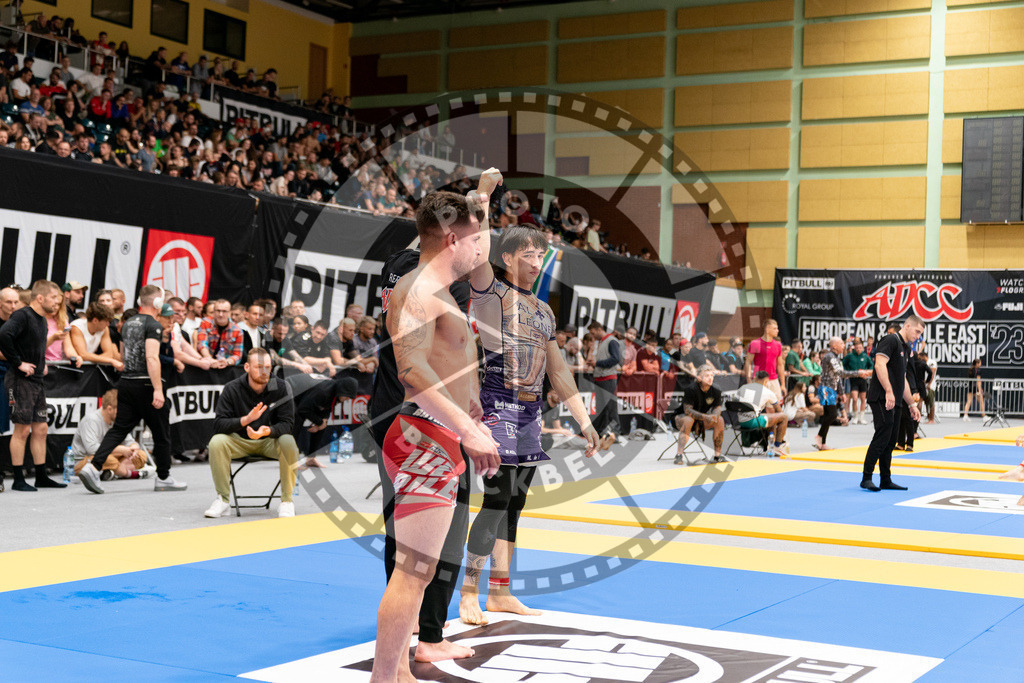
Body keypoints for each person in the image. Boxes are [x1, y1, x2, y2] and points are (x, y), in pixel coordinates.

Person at [368, 189, 501, 683]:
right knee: (413, 571)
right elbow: (414, 375)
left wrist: (473, 417)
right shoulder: (418, 291)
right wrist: (468, 428)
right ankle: (386, 678)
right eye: (475, 239)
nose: (479, 249)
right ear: (452, 239)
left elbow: (446, 370)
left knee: (418, 572)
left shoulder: (438, 290)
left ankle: (398, 673)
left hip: (439, 436)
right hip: (424, 436)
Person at [461, 213, 599, 626]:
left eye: (540, 254)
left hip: (529, 417)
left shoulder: (543, 311)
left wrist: (584, 420)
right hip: (495, 411)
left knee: (515, 505)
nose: (536, 261)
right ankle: (469, 591)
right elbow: (477, 253)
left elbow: (558, 372)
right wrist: (483, 202)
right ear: (506, 257)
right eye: (527, 253)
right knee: (497, 499)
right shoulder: (490, 294)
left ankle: (500, 591)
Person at [77, 285, 187, 494]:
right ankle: (164, 477)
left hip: (126, 382)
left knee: (118, 429)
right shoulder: (153, 324)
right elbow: (152, 357)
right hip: (146, 382)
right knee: (162, 432)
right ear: (156, 303)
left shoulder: (127, 324)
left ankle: (93, 467)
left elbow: (123, 354)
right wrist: (157, 389)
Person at [203, 348, 299, 518]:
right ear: (246, 367)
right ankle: (223, 500)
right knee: (216, 442)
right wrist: (246, 420)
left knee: (288, 441)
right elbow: (218, 424)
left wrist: (267, 431)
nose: (264, 372)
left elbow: (288, 424)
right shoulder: (232, 388)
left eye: (268, 367)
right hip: (239, 441)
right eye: (259, 367)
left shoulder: (281, 387)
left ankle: (287, 501)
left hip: (269, 441)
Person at [0, 280, 68, 491]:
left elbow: (36, 345)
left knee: (41, 428)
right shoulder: (22, 315)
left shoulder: (42, 320)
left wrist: (41, 363)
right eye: (54, 298)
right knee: (22, 429)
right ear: (40, 298)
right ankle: (19, 479)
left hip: (36, 380)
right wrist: (18, 363)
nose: (58, 303)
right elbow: (4, 335)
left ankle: (41, 475)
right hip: (20, 380)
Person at [861, 316, 925, 492]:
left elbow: (902, 379)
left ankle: (885, 479)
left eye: (921, 334)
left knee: (891, 440)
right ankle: (866, 477)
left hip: (895, 399)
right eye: (917, 331)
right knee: (882, 435)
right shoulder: (891, 340)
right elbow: (879, 365)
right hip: (882, 397)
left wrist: (911, 405)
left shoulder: (905, 347)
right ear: (907, 326)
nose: (918, 336)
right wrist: (889, 390)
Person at [71, 389, 151, 480]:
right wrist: (121, 449)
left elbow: (130, 441)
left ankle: (112, 472)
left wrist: (133, 448)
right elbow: (92, 449)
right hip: (85, 460)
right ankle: (129, 474)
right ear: (109, 409)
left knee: (141, 455)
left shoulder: (116, 420)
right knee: (108, 460)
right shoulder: (91, 420)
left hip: (111, 456)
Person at [816, 336, 871, 451]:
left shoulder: (837, 358)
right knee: (831, 414)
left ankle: (822, 442)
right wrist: (858, 373)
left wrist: (841, 393)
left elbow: (838, 377)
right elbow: (840, 373)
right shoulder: (829, 356)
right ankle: (820, 437)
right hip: (826, 389)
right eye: (841, 343)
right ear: (834, 346)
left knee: (828, 415)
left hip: (832, 389)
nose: (844, 345)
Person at [670, 365, 724, 465]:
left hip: (700, 420)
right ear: (699, 378)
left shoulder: (716, 389)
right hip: (680, 417)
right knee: (688, 420)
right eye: (707, 375)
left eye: (712, 375)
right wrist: (705, 417)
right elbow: (688, 411)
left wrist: (715, 415)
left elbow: (717, 407)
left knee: (719, 419)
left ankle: (717, 456)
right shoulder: (691, 389)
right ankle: (679, 455)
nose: (710, 378)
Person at [585, 320, 621, 449]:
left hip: (608, 378)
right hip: (600, 378)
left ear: (599, 329)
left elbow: (616, 359)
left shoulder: (611, 341)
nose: (592, 336)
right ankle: (603, 433)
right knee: (602, 408)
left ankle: (615, 432)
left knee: (611, 406)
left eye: (593, 333)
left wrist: (597, 364)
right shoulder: (601, 342)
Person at [735, 371, 789, 455]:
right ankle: (778, 446)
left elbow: (735, 401)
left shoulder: (743, 387)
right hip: (753, 422)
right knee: (784, 417)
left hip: (740, 421)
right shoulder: (768, 392)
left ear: (755, 378)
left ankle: (770, 445)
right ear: (766, 381)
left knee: (771, 419)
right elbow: (779, 411)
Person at [67, 302, 123, 370]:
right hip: (70, 367)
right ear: (95, 320)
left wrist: (91, 358)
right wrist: (111, 361)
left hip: (87, 367)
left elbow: (109, 354)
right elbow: (83, 354)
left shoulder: (105, 329)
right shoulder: (77, 327)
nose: (108, 324)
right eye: (106, 321)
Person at [743, 318, 785, 401]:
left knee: (774, 407)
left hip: (773, 379)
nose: (777, 330)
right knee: (756, 406)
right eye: (774, 328)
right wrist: (748, 379)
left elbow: (780, 365)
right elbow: (748, 362)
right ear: (767, 329)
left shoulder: (778, 345)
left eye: (777, 328)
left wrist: (783, 384)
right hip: (758, 379)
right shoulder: (755, 343)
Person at [843, 340, 873, 424]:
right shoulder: (850, 356)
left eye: (860, 348)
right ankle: (855, 416)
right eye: (857, 348)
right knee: (855, 399)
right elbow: (844, 364)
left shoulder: (865, 356)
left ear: (863, 348)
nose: (858, 349)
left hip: (863, 380)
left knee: (863, 399)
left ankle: (862, 417)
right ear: (854, 348)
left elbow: (871, 365)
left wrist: (867, 372)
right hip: (853, 380)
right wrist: (847, 373)